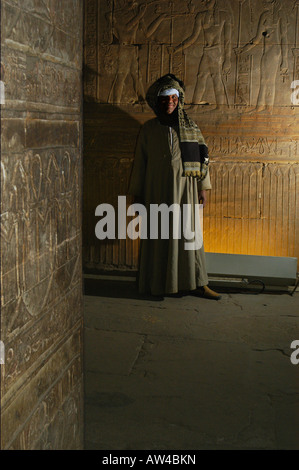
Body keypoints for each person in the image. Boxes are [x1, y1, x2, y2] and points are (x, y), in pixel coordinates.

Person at [128, 73, 221, 300]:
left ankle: (197, 283)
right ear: (157, 102)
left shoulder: (191, 128)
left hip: (185, 192)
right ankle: (157, 284)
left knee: (188, 236)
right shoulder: (148, 130)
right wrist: (137, 194)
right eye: (164, 99)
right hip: (156, 191)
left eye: (173, 98)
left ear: (178, 101)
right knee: (158, 235)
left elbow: (202, 160)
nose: (169, 103)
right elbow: (140, 164)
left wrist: (203, 187)